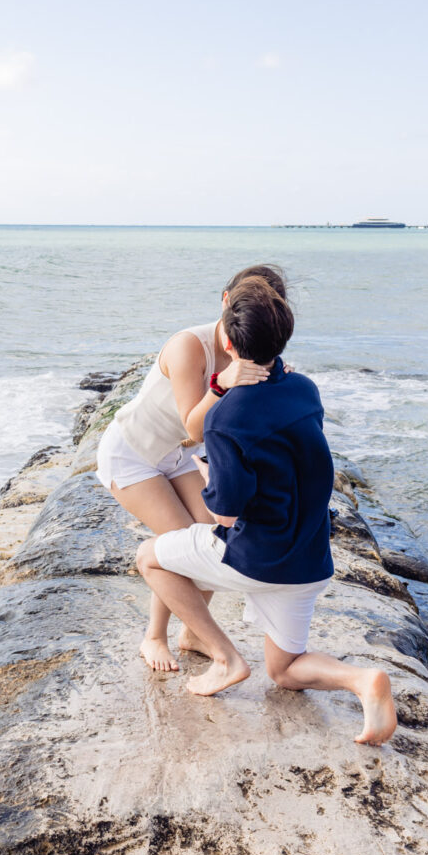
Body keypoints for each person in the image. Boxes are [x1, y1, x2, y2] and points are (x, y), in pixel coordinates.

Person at [134, 277, 399, 746]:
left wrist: (211, 478)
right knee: (285, 671)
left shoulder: (225, 414)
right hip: (310, 559)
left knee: (149, 557)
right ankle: (362, 681)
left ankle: (225, 658)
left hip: (259, 557)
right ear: (284, 336)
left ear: (230, 343)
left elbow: (227, 515)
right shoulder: (305, 389)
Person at [96, 265, 287, 673]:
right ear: (226, 301)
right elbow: (194, 425)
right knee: (180, 542)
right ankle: (153, 637)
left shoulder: (254, 342)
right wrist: (224, 381)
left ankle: (194, 634)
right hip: (132, 453)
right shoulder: (189, 346)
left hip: (177, 455)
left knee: (213, 539)